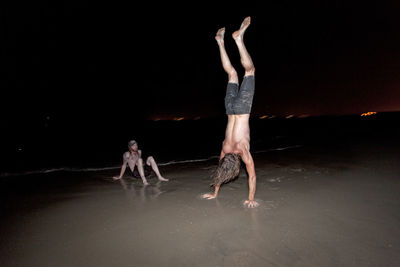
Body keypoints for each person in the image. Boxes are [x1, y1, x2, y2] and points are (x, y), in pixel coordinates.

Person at [202, 16, 258, 208]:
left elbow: (252, 176)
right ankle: (219, 42)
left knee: (249, 71)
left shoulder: (242, 151)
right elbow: (220, 170)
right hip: (230, 108)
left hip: (242, 109)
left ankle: (238, 40)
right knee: (232, 74)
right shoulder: (225, 149)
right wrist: (214, 191)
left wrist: (251, 199)